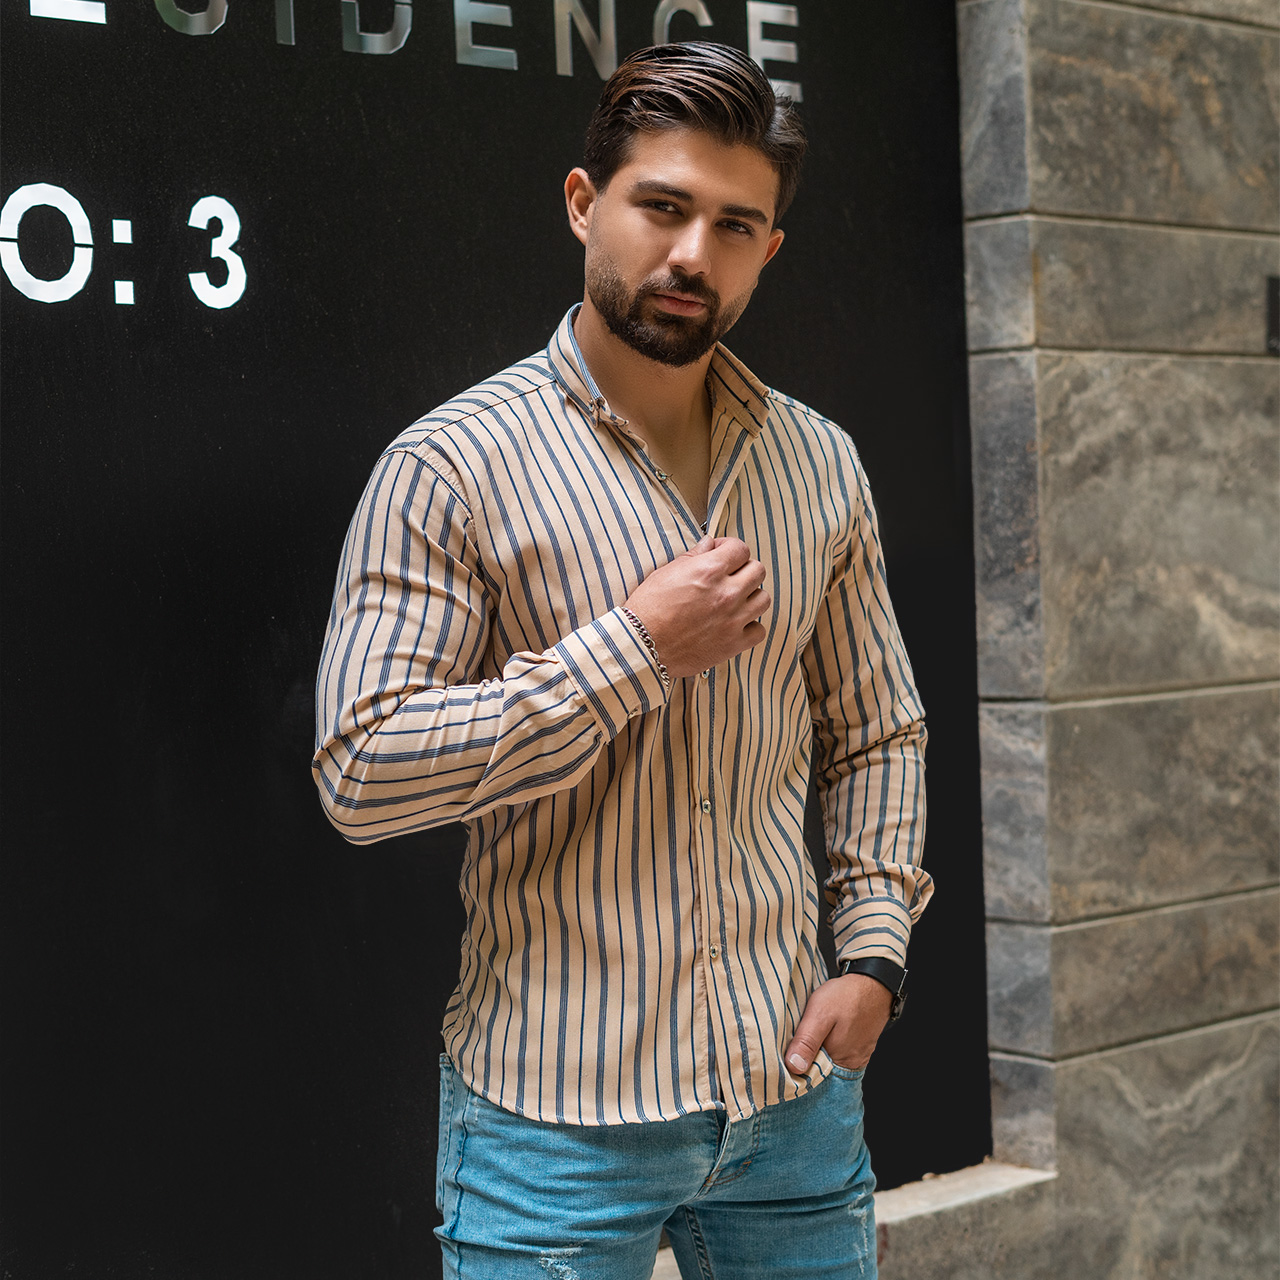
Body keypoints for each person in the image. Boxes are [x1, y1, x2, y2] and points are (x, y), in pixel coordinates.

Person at [313, 40, 932, 1280]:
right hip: (551, 1124)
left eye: (734, 225)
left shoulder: (817, 461)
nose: (693, 253)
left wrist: (872, 952)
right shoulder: (451, 465)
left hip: (792, 1100)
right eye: (661, 206)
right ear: (582, 203)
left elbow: (878, 729)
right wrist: (636, 648)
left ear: (768, 249)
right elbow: (362, 770)